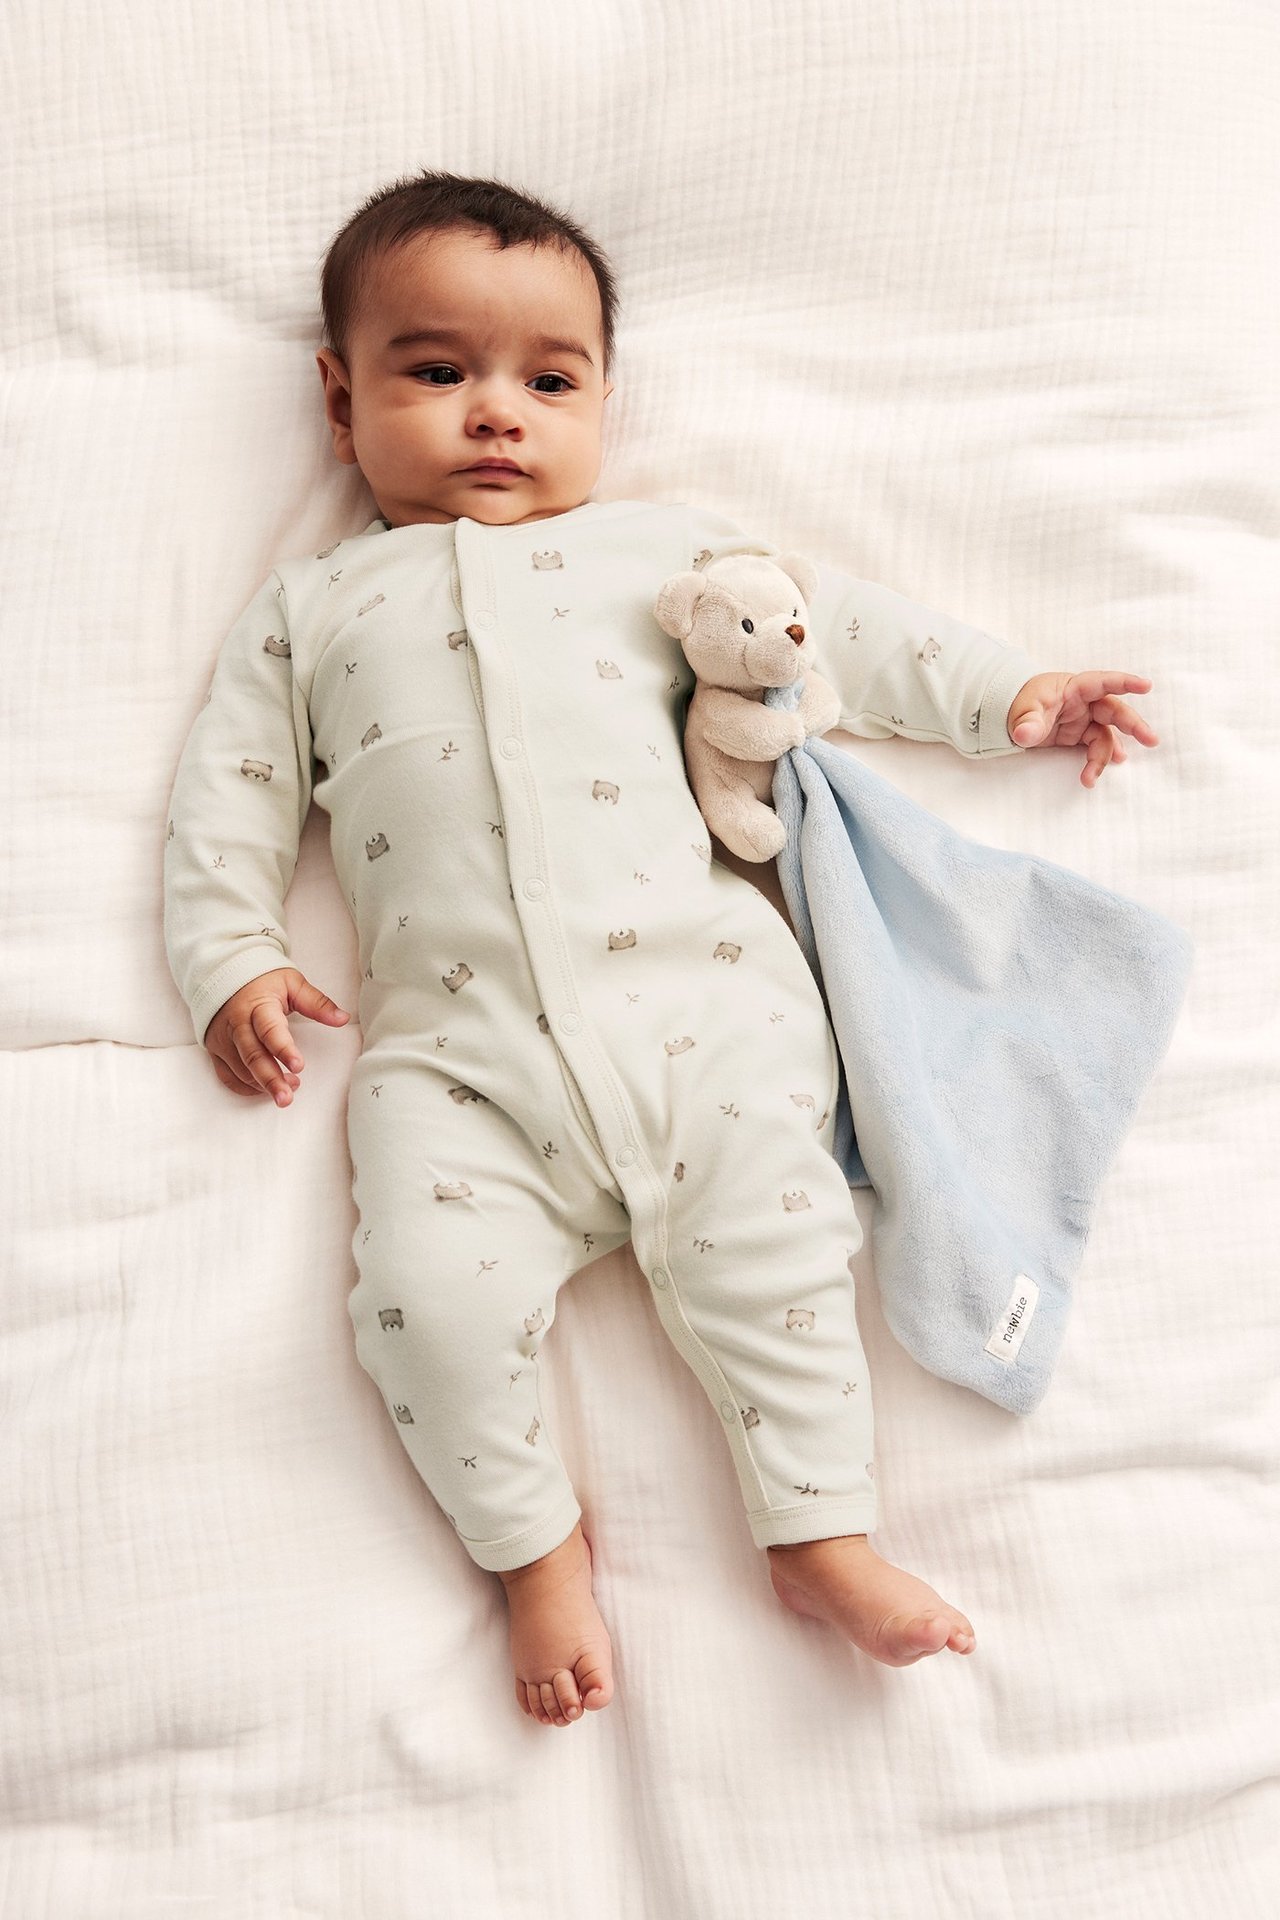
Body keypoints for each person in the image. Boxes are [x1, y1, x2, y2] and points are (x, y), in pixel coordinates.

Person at [162, 170, 1159, 1730]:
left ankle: (819, 1533)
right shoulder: (311, 606)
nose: (498, 414)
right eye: (439, 373)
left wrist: (1006, 696)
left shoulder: (662, 553)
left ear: (605, 402)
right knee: (423, 1299)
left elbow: (830, 632)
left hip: (704, 1020)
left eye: (547, 382)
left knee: (782, 1267)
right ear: (339, 402)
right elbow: (229, 792)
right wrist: (229, 952)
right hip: (458, 1059)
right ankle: (535, 1546)